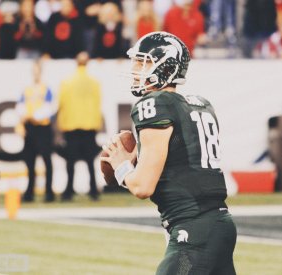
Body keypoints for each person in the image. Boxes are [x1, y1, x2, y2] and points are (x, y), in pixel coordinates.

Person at [101, 32, 237, 274]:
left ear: (167, 67)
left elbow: (143, 187)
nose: (135, 68)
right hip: (219, 225)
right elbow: (176, 164)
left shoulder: (154, 104)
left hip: (194, 233)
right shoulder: (199, 103)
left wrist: (122, 165)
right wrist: (133, 162)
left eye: (144, 62)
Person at [57, 52, 102, 201]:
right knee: (90, 161)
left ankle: (68, 191)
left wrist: (61, 123)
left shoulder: (67, 82)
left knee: (70, 162)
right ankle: (93, 191)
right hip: (89, 126)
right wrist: (96, 123)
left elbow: (61, 103)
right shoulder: (94, 82)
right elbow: (97, 104)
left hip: (72, 125)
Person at [15, 61, 55, 202]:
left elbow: (48, 109)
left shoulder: (46, 89)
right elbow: (20, 107)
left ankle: (49, 192)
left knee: (46, 160)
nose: (36, 73)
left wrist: (32, 116)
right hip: (30, 127)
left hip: (43, 128)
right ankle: (29, 192)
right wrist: (22, 122)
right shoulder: (27, 89)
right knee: (29, 161)